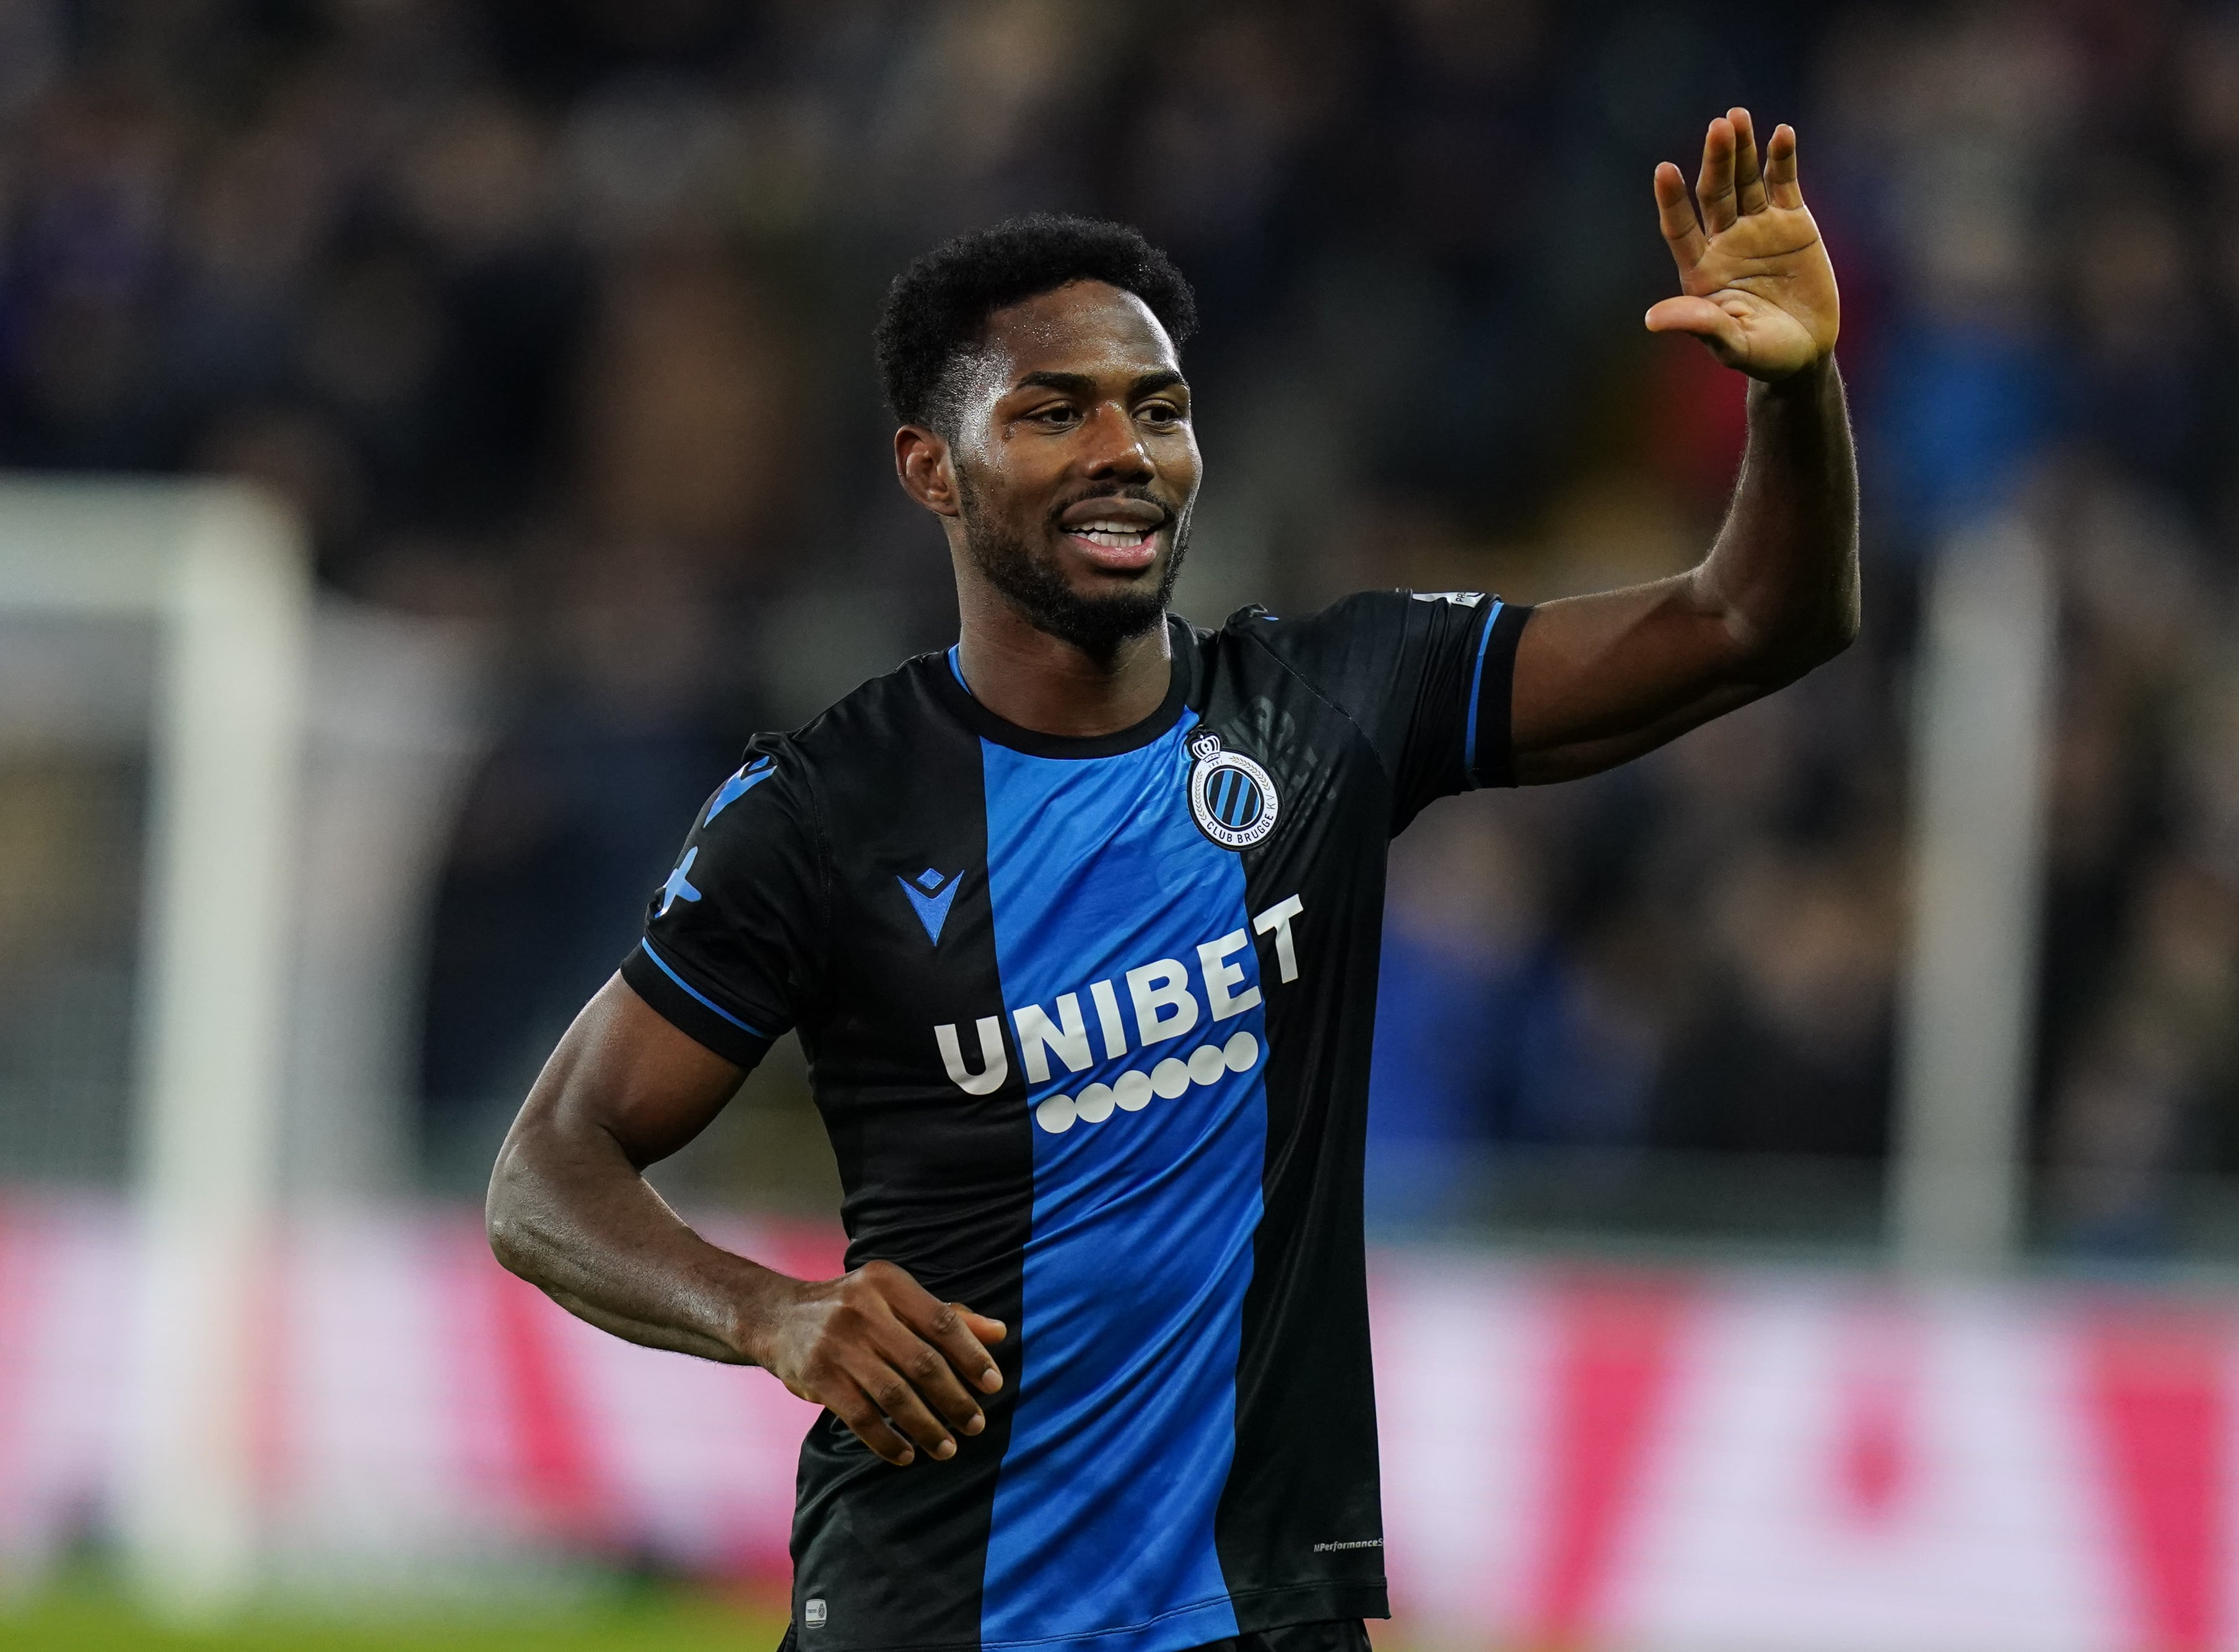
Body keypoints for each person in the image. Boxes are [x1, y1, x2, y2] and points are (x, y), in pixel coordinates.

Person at [486, 108, 1855, 1652]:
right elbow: (547, 1171)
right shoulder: (823, 812)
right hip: (939, 1610)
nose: (1123, 452)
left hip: (1265, 1612)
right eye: (1052, 413)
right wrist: (772, 1311)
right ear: (931, 467)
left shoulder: (1327, 707)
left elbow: (1755, 620)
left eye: (1158, 408)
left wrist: (1795, 387)